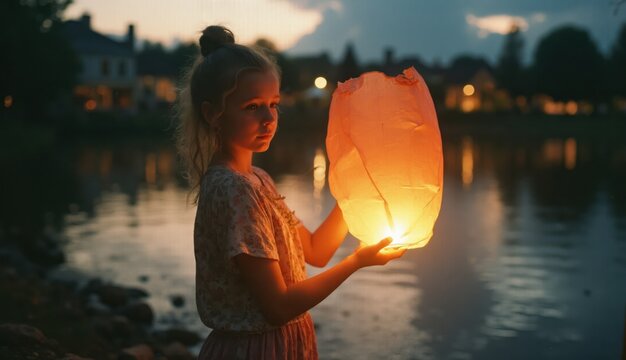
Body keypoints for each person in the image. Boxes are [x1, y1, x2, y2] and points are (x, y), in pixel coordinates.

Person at [176, 25, 406, 360]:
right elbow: (278, 307)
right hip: (255, 350)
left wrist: (359, 189)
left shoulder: (258, 179)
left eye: (274, 103)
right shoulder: (234, 190)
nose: (269, 118)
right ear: (213, 114)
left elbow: (315, 251)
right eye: (253, 106)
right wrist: (357, 261)